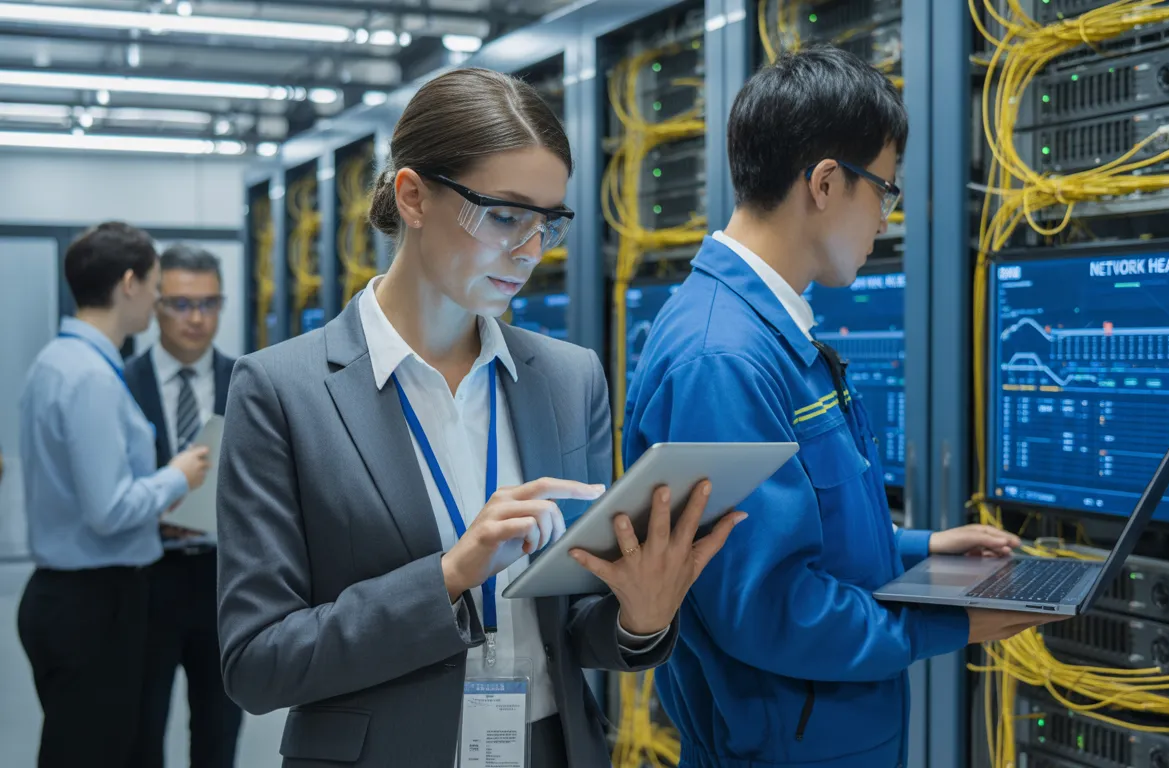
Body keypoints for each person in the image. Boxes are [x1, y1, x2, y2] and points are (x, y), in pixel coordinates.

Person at [214, 67, 742, 768]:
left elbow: (574, 624)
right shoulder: (281, 391)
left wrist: (641, 614)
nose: (529, 250)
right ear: (413, 196)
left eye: (547, 223)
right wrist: (451, 574)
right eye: (504, 215)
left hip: (549, 748)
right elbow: (257, 662)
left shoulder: (568, 377)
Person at [623, 46, 1060, 768]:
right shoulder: (723, 357)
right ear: (826, 183)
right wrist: (953, 621)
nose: (886, 219)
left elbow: (795, 531)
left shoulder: (765, 331)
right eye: (884, 191)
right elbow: (766, 608)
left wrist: (916, 550)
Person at [16, 221, 211, 768]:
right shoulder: (91, 379)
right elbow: (108, 510)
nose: (156, 300)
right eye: (154, 286)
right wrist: (178, 474)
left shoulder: (58, 363)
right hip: (94, 605)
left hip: (72, 598)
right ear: (129, 283)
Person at [125, 244, 242, 768]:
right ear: (155, 305)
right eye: (180, 304)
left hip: (224, 585)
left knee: (219, 727)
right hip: (144, 580)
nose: (196, 318)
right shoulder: (122, 383)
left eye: (209, 303)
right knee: (139, 727)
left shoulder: (248, 382)